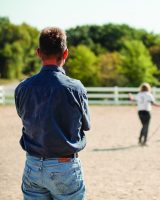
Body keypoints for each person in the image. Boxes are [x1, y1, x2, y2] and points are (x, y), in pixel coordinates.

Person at [14, 27, 90, 200]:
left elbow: (23, 117)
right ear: (65, 53)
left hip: (33, 164)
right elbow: (86, 125)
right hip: (64, 166)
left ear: (39, 53)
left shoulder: (23, 88)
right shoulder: (75, 88)